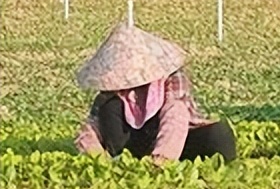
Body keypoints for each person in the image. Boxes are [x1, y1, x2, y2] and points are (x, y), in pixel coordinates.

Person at [72, 20, 237, 163]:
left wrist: (162, 158)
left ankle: (162, 158)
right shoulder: (111, 91)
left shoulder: (171, 78)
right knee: (110, 107)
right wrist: (98, 157)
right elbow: (91, 128)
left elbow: (176, 115)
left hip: (173, 137)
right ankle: (127, 158)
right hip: (132, 143)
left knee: (219, 135)